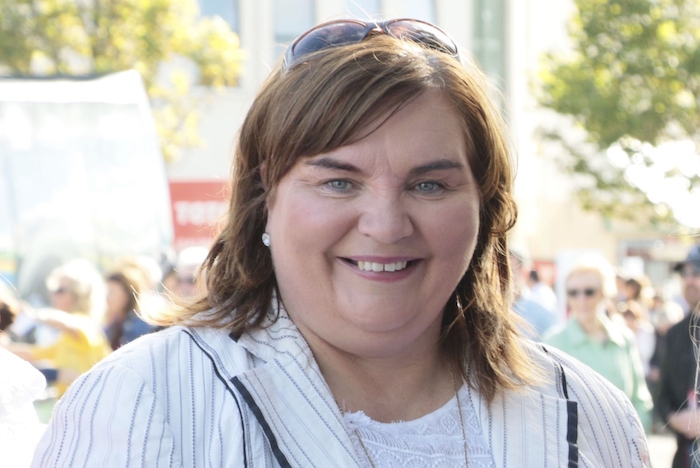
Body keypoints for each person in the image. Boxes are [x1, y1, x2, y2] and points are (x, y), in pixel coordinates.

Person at [32, 18, 650, 467]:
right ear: (264, 198)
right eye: (338, 181)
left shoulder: (590, 413)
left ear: (484, 208)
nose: (386, 223)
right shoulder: (147, 399)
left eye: (429, 184)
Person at [543, 253, 653, 432]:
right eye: (573, 292)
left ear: (604, 293)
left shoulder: (623, 338)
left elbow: (640, 399)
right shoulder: (553, 342)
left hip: (625, 443)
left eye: (589, 292)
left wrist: (637, 437)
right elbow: (547, 408)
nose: (581, 299)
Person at [3, 260, 112, 396]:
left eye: (60, 290)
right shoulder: (67, 337)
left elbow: (69, 323)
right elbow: (32, 354)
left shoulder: (85, 324)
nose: (53, 295)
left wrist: (33, 315)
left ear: (78, 295)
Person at [656, 244, 700, 467]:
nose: (689, 280)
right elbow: (662, 396)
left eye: (697, 271)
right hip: (686, 454)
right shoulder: (675, 334)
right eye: (685, 273)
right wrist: (674, 418)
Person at [103, 264, 158, 350]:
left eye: (112, 292)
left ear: (128, 294)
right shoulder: (114, 322)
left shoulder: (140, 324)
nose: (108, 298)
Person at [509, 249, 557, 339]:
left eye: (509, 272)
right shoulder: (488, 311)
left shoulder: (543, 310)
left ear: (525, 272)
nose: (501, 278)